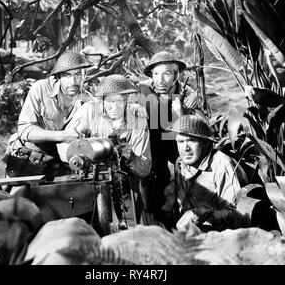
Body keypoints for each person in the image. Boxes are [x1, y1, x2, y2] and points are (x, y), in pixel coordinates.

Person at [57, 74, 152, 225]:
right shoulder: (89, 111)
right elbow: (63, 146)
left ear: (127, 100)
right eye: (110, 101)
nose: (114, 107)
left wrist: (130, 155)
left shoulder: (137, 114)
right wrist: (81, 148)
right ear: (102, 100)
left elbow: (145, 168)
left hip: (124, 186)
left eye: (120, 101)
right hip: (89, 183)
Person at [3, 51, 94, 180]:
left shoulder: (88, 101)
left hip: (60, 164)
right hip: (28, 159)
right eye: (67, 75)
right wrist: (63, 136)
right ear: (58, 77)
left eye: (78, 75)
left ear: (85, 75)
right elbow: (25, 129)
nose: (73, 81)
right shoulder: (40, 89)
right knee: (16, 198)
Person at [136, 51, 202, 228]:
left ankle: (187, 217)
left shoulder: (188, 93)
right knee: (151, 183)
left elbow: (198, 132)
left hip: (176, 139)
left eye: (166, 74)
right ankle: (153, 220)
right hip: (152, 140)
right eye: (156, 74)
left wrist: (183, 112)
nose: (160, 80)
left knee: (187, 177)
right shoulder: (142, 89)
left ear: (176, 75)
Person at [167, 114, 247, 232]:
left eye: (192, 141)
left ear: (205, 142)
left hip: (222, 237)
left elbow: (238, 216)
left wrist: (203, 214)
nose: (185, 148)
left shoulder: (221, 165)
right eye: (181, 141)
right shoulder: (180, 163)